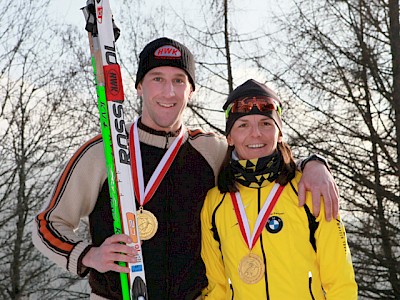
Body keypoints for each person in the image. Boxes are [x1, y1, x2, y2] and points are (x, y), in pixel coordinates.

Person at [32, 38, 339, 300]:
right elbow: (47, 224)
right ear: (139, 86)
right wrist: (88, 255)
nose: (169, 92)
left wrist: (312, 165)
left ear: (191, 91)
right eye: (157, 79)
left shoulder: (210, 149)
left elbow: (261, 155)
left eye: (179, 81)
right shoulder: (104, 151)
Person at [200, 79, 357, 299]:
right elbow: (216, 288)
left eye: (266, 123)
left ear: (280, 133)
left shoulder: (310, 187)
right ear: (230, 138)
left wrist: (315, 163)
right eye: (243, 125)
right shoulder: (214, 202)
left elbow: (340, 281)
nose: (256, 134)